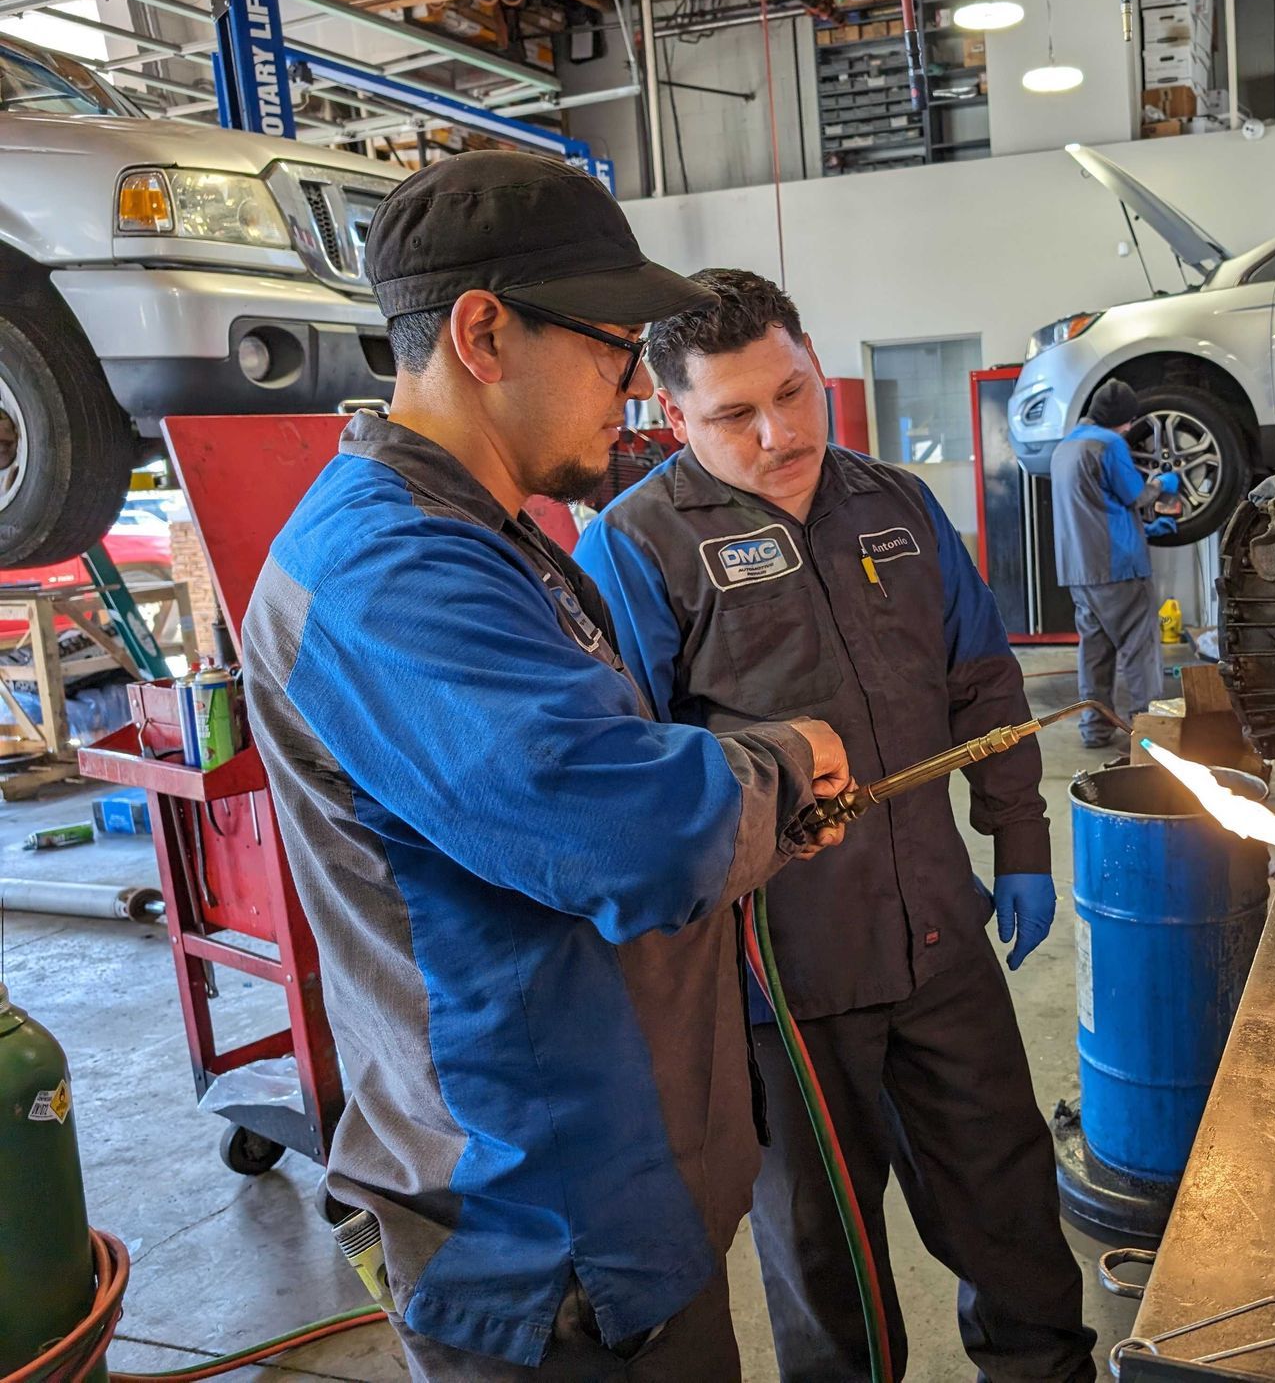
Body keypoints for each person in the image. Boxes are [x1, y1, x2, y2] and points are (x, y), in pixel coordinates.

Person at [243, 154, 852, 1381]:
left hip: (617, 1192)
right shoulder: (388, 574)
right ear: (483, 333)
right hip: (544, 1244)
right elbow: (621, 827)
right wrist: (782, 767)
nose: (633, 390)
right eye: (616, 350)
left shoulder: (486, 529)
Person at [574, 269, 1098, 1383]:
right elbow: (630, 775)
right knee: (831, 1278)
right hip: (782, 985)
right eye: (733, 415)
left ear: (813, 360)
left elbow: (985, 685)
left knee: (1016, 1230)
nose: (779, 433)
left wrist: (1019, 843)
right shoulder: (637, 548)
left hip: (942, 945)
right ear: (672, 416)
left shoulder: (896, 506)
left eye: (795, 392)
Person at [1047, 379, 1179, 748]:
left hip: (1079, 572)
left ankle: (1095, 728)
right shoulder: (1109, 444)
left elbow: (1097, 509)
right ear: (1121, 419)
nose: (1128, 428)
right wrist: (1163, 483)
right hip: (1119, 571)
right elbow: (1136, 495)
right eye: (1128, 422)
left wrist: (1147, 529)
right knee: (1140, 652)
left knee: (1096, 652)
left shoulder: (1065, 448)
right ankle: (1149, 734)